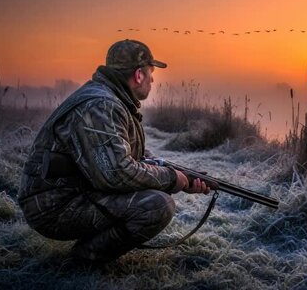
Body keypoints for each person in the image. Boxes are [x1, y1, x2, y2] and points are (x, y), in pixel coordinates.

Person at [18, 39, 210, 263]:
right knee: (157, 206)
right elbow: (116, 173)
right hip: (53, 206)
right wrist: (169, 178)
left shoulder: (110, 99)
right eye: (151, 73)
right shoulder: (101, 105)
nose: (153, 79)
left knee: (154, 195)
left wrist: (179, 176)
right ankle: (82, 260)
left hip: (73, 193)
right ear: (138, 75)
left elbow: (130, 156)